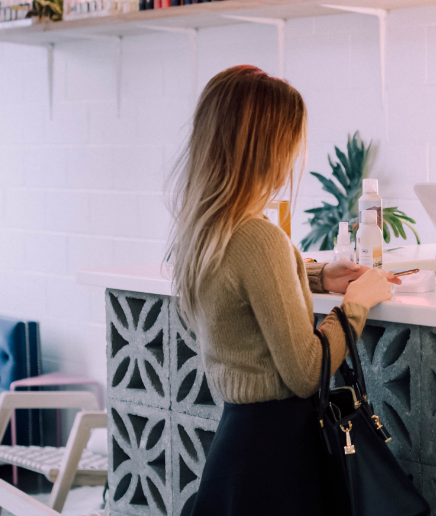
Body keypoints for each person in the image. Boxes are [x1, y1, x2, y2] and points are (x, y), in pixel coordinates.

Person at [168, 65, 398, 514]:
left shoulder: (205, 230)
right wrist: (355, 306)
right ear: (267, 148)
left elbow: (244, 287)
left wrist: (316, 278)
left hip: (236, 445)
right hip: (276, 458)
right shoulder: (259, 238)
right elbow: (306, 371)